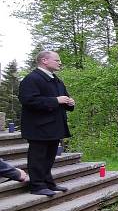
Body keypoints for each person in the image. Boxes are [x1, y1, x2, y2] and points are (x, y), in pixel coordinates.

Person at [18, 50, 75, 196]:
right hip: (38, 127)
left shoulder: (56, 80)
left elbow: (63, 99)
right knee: (38, 157)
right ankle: (37, 186)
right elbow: (28, 101)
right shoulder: (32, 79)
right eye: (57, 60)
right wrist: (56, 100)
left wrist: (69, 102)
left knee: (49, 157)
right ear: (44, 60)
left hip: (54, 126)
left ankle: (48, 183)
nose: (60, 63)